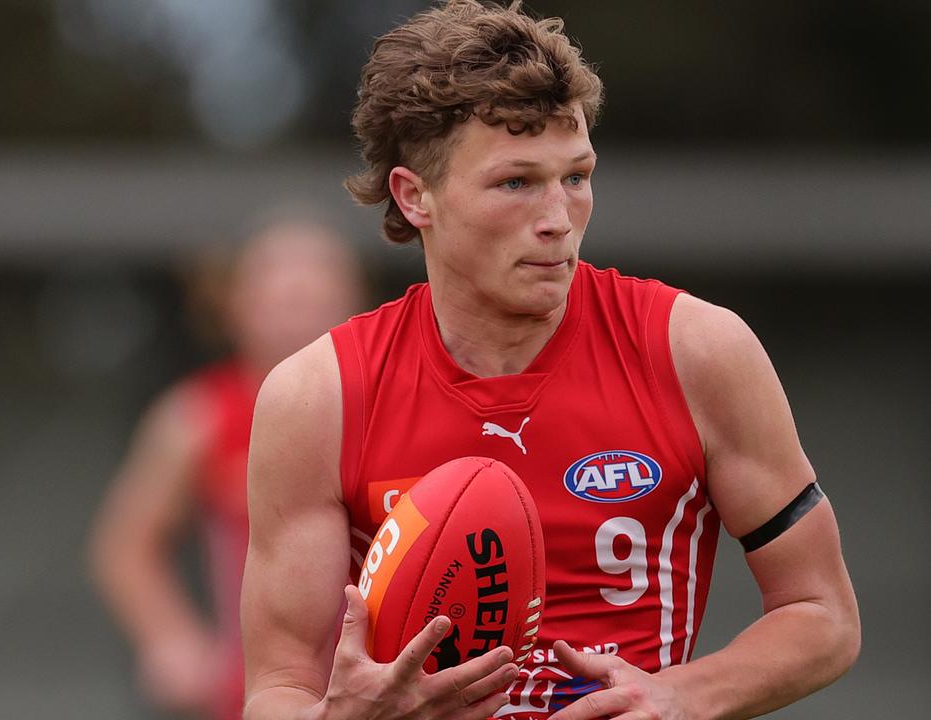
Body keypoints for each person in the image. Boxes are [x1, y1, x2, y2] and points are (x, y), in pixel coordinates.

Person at [242, 2, 860, 719]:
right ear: (416, 197)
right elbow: (279, 685)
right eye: (516, 183)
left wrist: (683, 696)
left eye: (575, 176)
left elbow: (823, 613)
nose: (558, 217)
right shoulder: (319, 397)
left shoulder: (696, 351)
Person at [89, 210, 364, 720]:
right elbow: (125, 543)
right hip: (254, 692)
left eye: (315, 296)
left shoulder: (391, 405)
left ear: (353, 301)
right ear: (234, 304)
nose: (298, 315)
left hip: (381, 685)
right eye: (281, 298)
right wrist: (171, 638)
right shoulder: (197, 415)